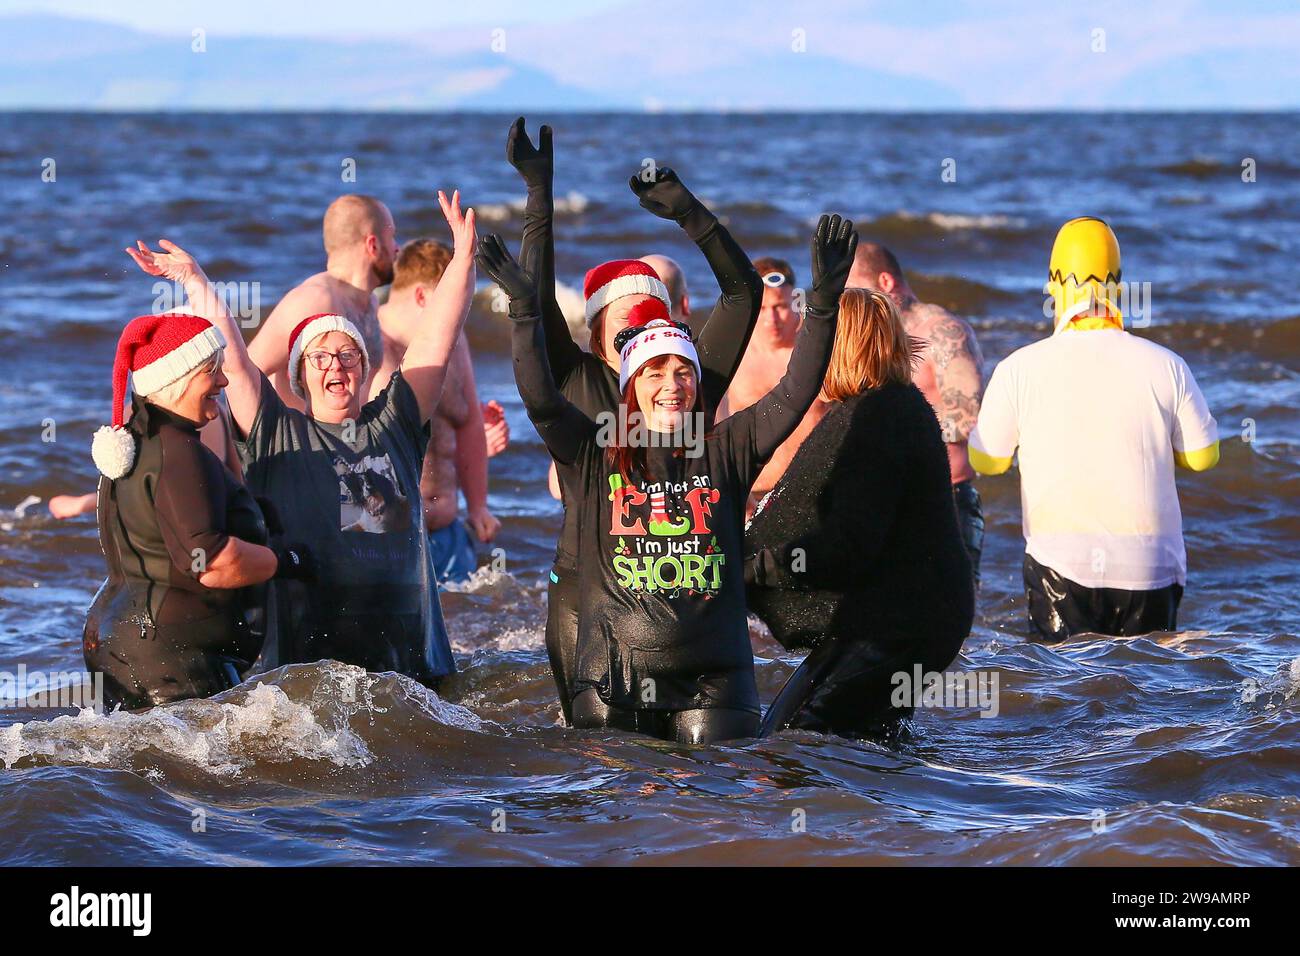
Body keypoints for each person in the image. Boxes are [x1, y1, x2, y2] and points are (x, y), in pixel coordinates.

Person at [478, 213, 854, 744]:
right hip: (613, 675)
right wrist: (523, 309)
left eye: (683, 372)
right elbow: (540, 399)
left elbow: (796, 389)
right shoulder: (594, 451)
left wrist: (822, 303)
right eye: (655, 372)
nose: (671, 384)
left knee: (716, 807)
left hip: (715, 674)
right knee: (618, 814)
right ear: (632, 386)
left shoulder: (728, 447)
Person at [124, 189, 476, 684]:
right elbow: (237, 361)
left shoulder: (395, 422)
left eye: (348, 354)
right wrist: (194, 281)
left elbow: (437, 336)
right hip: (309, 666)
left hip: (412, 662)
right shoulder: (274, 432)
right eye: (320, 357)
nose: (336, 364)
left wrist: (463, 260)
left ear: (366, 367)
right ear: (299, 378)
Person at [505, 117, 762, 723]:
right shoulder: (573, 377)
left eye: (656, 319)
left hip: (684, 601)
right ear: (597, 333)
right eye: (626, 328)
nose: (644, 342)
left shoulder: (683, 382)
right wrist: (539, 195)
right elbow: (535, 299)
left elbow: (742, 293)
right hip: (583, 591)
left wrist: (691, 215)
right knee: (597, 767)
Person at [969, 217, 1219, 641]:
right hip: (1151, 569)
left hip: (1061, 569)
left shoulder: (1019, 368)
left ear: (1053, 285)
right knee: (1145, 694)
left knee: (1066, 694)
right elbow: (1203, 457)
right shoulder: (1167, 364)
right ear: (1118, 285)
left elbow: (988, 462)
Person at [745, 289, 974, 738]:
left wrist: (760, 569)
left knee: (799, 739)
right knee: (847, 735)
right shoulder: (887, 406)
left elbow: (851, 544)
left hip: (901, 624)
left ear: (843, 345)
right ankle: (897, 799)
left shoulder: (880, 418)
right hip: (905, 617)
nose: (808, 353)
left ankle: (872, 806)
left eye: (818, 341)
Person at [84, 312, 308, 710]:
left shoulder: (132, 447)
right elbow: (210, 561)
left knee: (136, 769)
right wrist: (284, 560)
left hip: (116, 642)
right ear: (179, 379)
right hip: (172, 657)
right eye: (212, 372)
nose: (222, 382)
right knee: (206, 772)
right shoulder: (179, 452)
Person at [848, 242, 986, 586]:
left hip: (945, 499)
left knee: (950, 616)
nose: (852, 303)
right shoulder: (871, 341)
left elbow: (967, 416)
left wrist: (900, 436)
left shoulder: (943, 332)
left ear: (886, 282)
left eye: (858, 292)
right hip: (886, 501)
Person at [371, 237, 501, 583]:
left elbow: (469, 422)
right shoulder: (369, 347)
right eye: (455, 305)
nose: (460, 318)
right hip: (391, 539)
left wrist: (478, 506)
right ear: (423, 297)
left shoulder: (456, 342)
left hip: (449, 533)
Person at [248, 194, 398, 409]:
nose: (397, 248)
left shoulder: (370, 302)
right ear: (373, 245)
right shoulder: (314, 300)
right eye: (392, 236)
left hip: (351, 439)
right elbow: (242, 375)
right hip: (304, 440)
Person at [715, 257, 803, 516]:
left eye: (780, 306)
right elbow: (716, 434)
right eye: (763, 309)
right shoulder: (733, 358)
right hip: (754, 495)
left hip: (813, 486)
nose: (772, 319)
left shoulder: (815, 354)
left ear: (795, 301)